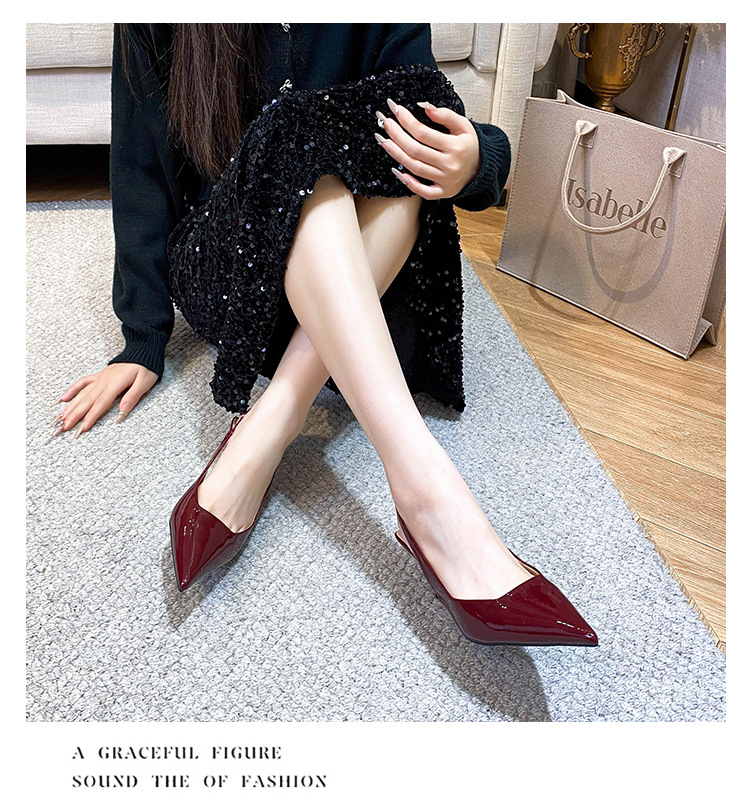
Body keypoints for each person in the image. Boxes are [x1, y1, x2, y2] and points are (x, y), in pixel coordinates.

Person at [51, 23, 597, 647]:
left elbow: (425, 111)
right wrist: (142, 337)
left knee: (401, 139)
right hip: (235, 276)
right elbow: (140, 166)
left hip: (356, 275)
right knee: (295, 131)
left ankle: (273, 419)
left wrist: (478, 157)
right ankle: (427, 493)